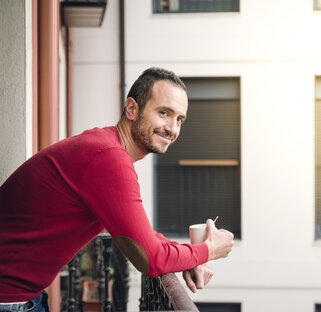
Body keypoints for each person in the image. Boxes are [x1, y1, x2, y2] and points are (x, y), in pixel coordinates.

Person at [0, 67, 234, 311]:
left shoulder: (105, 147)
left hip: (24, 295)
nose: (173, 129)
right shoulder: (108, 158)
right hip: (9, 299)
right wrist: (209, 250)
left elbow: (140, 235)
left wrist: (190, 255)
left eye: (179, 120)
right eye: (164, 113)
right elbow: (150, 258)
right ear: (132, 109)